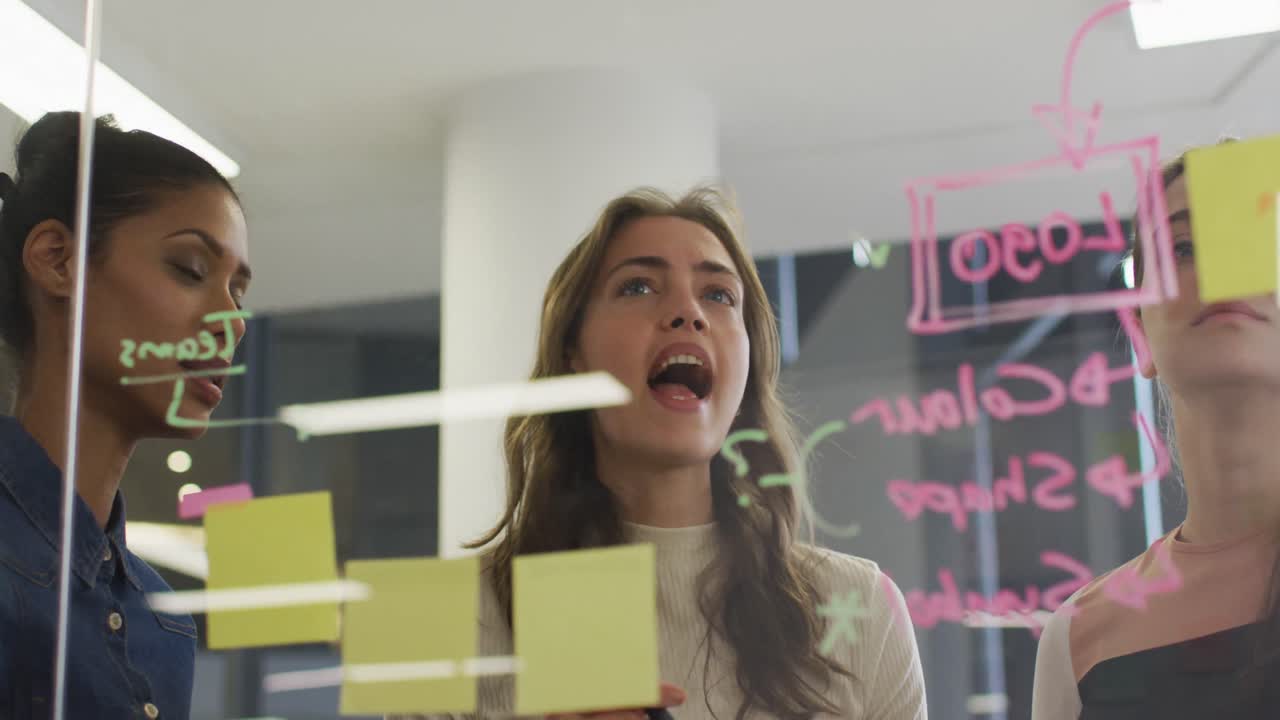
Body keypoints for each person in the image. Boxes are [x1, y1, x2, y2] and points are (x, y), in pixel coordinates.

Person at [398, 186, 926, 720]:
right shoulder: (434, 623)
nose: (687, 312)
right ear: (572, 352)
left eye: (719, 295)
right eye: (638, 286)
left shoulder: (861, 609)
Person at [0, 112, 251, 719]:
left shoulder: (164, 627)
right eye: (190, 269)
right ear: (57, 259)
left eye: (238, 292)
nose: (233, 321)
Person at [1031, 145, 1280, 718]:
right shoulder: (1082, 640)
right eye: (1186, 249)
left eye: (1258, 241)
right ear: (1138, 333)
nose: (1222, 272)